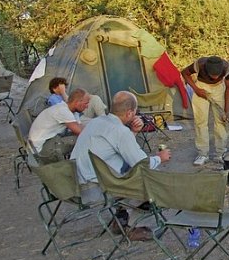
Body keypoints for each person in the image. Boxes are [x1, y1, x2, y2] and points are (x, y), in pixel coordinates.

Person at [70, 91, 171, 240]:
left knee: (124, 174)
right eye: (135, 112)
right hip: (96, 190)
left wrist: (133, 132)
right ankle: (132, 227)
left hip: (77, 184)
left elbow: (117, 147)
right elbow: (141, 164)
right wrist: (159, 158)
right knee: (149, 182)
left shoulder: (96, 122)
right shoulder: (119, 131)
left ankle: (120, 219)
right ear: (130, 113)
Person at [181, 55, 229, 166]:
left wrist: (226, 110)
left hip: (219, 89)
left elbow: (228, 88)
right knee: (200, 122)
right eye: (212, 75)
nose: (214, 77)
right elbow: (184, 73)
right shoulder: (200, 64)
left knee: (221, 121)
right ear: (206, 69)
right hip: (201, 87)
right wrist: (196, 89)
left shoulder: (227, 68)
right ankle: (203, 153)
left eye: (217, 75)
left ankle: (221, 152)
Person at [28, 88, 91, 163]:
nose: (87, 106)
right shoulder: (63, 111)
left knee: (84, 138)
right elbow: (81, 132)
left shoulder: (70, 110)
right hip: (40, 149)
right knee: (84, 140)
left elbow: (80, 127)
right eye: (86, 103)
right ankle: (81, 166)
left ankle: (80, 164)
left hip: (46, 141)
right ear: (77, 102)